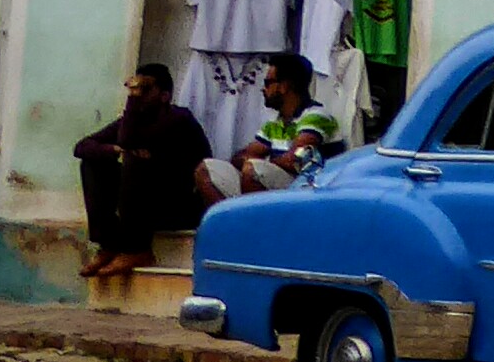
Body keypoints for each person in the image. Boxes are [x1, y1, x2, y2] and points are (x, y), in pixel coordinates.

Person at [71, 64, 214, 279]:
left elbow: (128, 140)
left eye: (145, 90)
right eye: (135, 90)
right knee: (92, 164)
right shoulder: (132, 122)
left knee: (134, 161)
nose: (138, 96)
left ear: (164, 96)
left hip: (179, 206)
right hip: (143, 207)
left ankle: (136, 249)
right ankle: (109, 244)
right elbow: (82, 147)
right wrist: (112, 150)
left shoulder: (179, 120)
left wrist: (131, 105)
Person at [199, 54, 347, 205]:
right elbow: (241, 157)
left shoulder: (316, 116)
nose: (263, 89)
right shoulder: (274, 124)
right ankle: (229, 224)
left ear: (284, 86)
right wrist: (259, 161)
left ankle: (256, 225)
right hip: (282, 187)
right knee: (206, 170)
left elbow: (296, 160)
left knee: (253, 171)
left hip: (310, 190)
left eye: (267, 83)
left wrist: (261, 161)